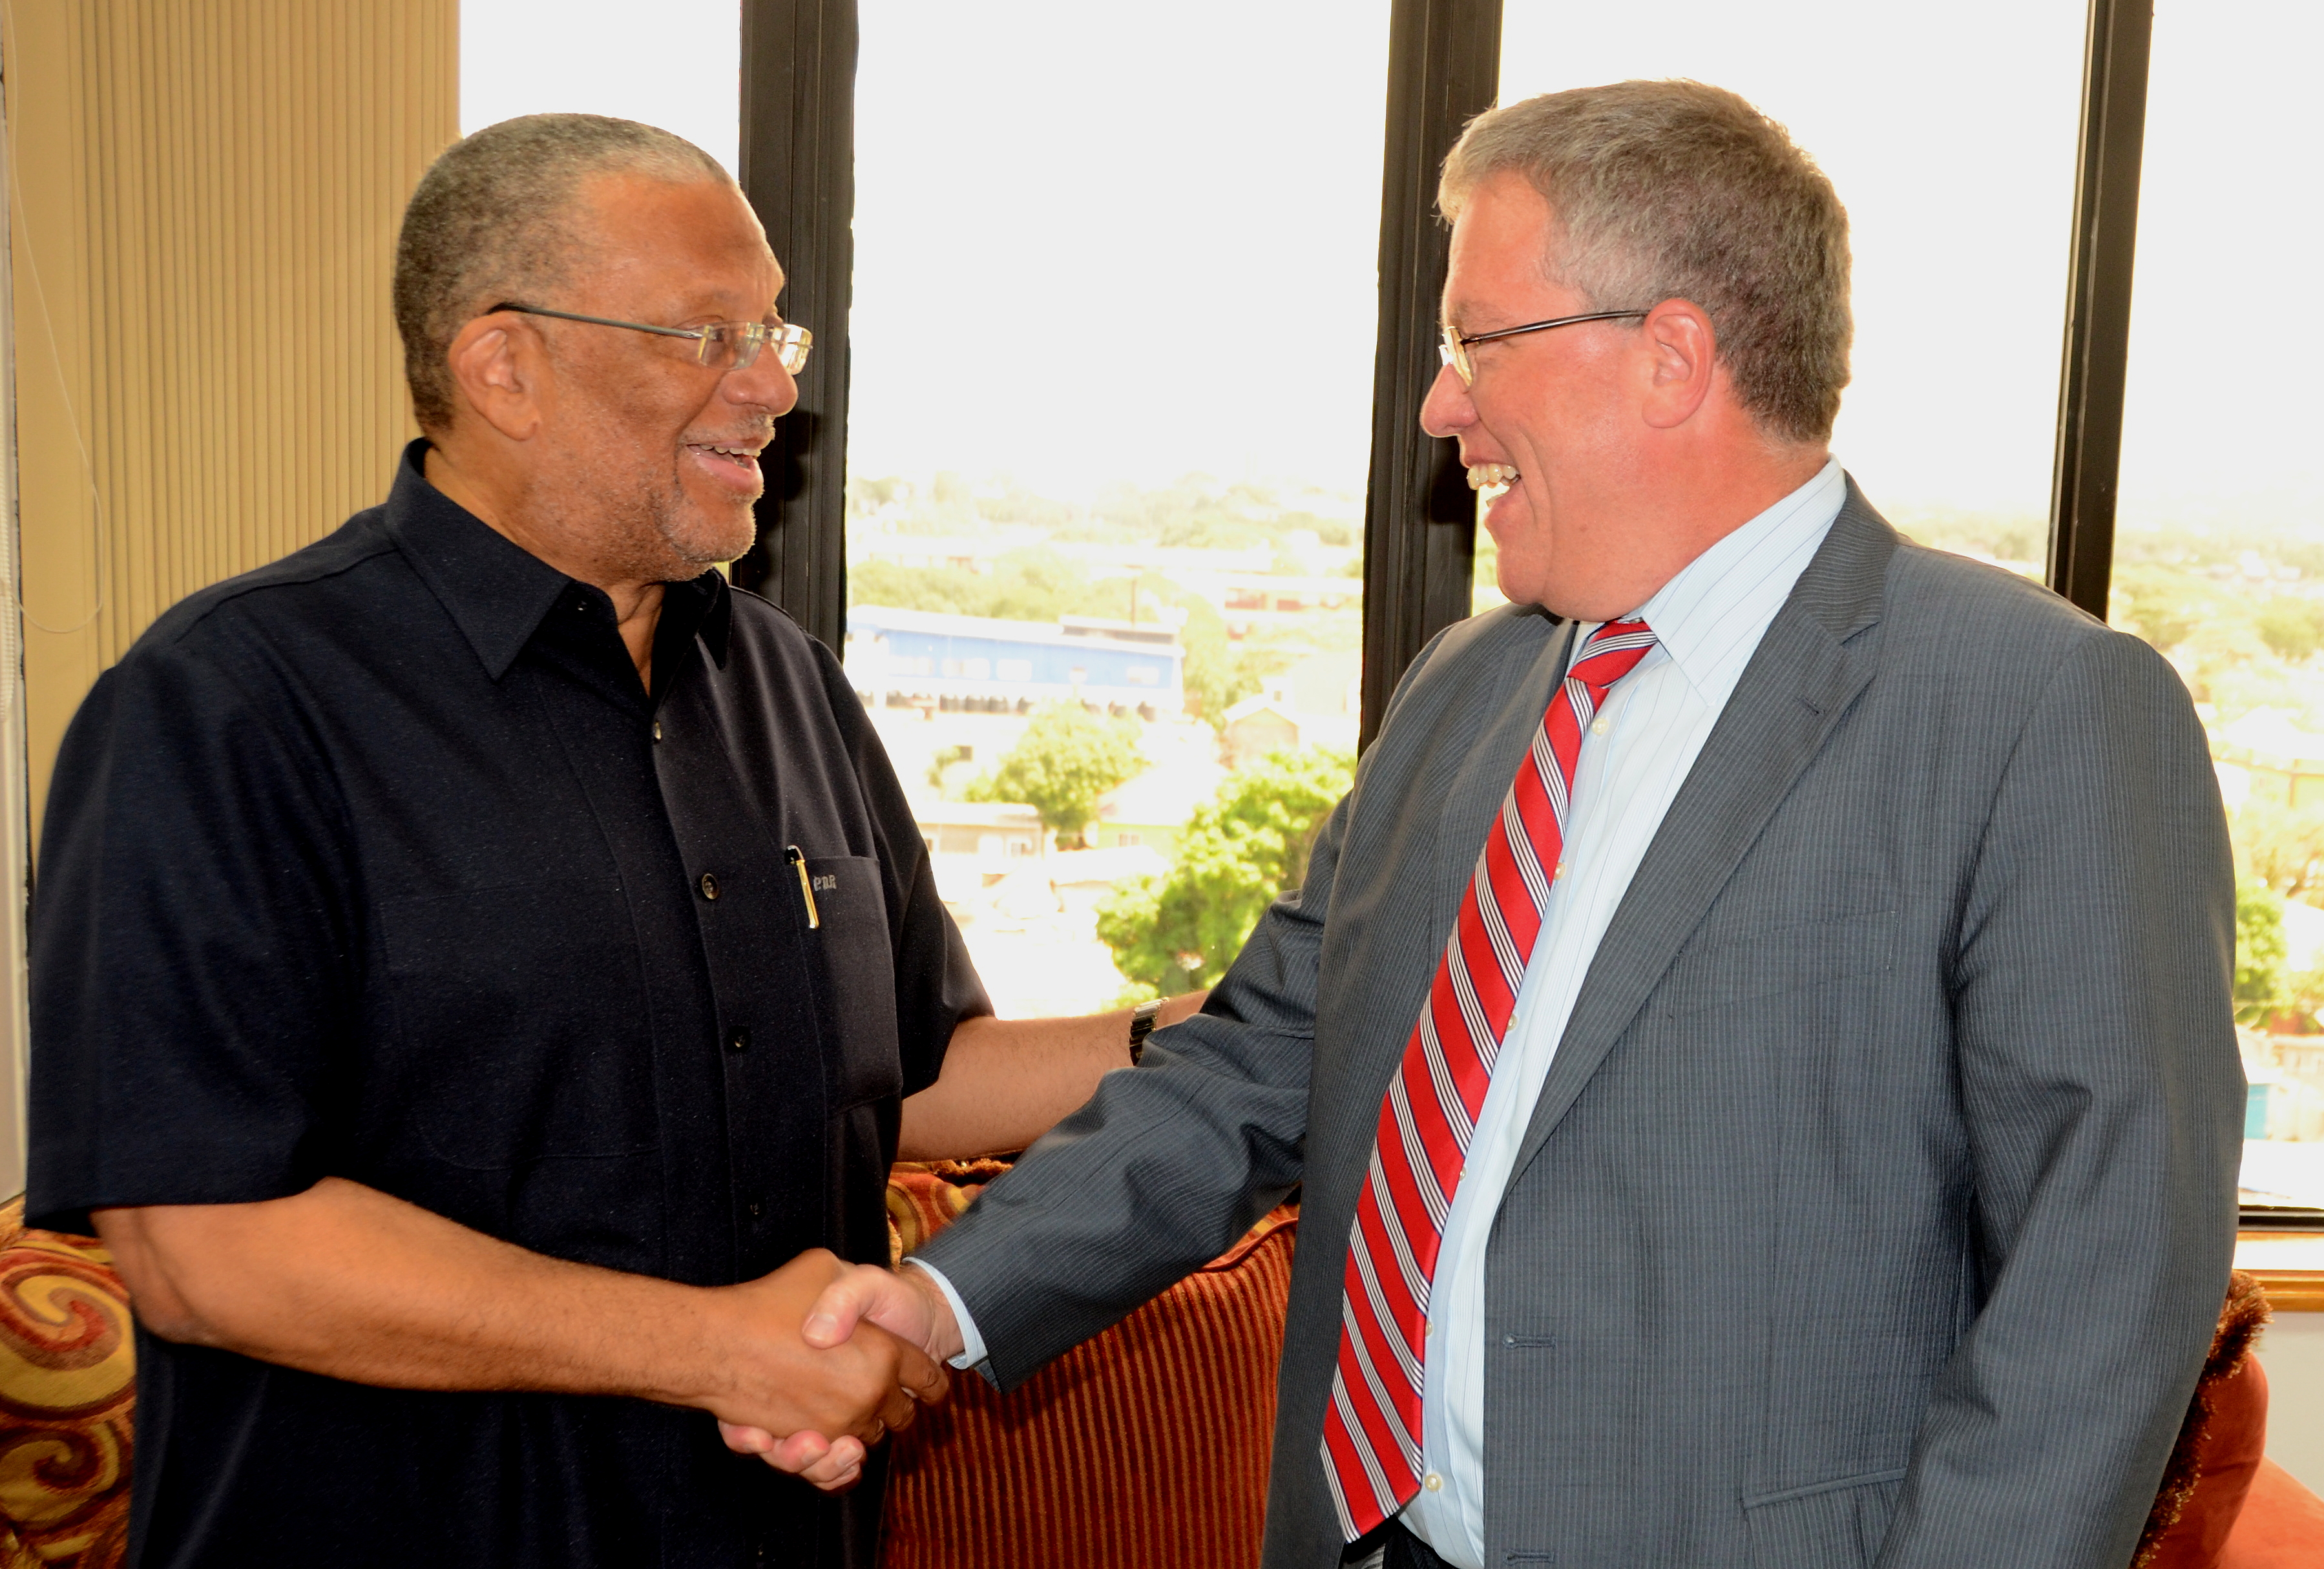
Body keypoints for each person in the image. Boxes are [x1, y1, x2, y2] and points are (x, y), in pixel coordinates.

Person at [776, 81, 2245, 1568]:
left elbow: (2104, 1282)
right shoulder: (1463, 686)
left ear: (1668, 356)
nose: (1437, 405)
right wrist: (946, 1301)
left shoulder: (2038, 709)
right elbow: (1255, 1061)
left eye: (1473, 342)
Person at [25, 114, 1186, 1569]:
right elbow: (199, 1246)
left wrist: (1214, 1035)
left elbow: (912, 1074)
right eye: (707, 333)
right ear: (503, 365)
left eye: (776, 333)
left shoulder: (787, 682)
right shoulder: (227, 703)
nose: (770, 388)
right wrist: (712, 1349)